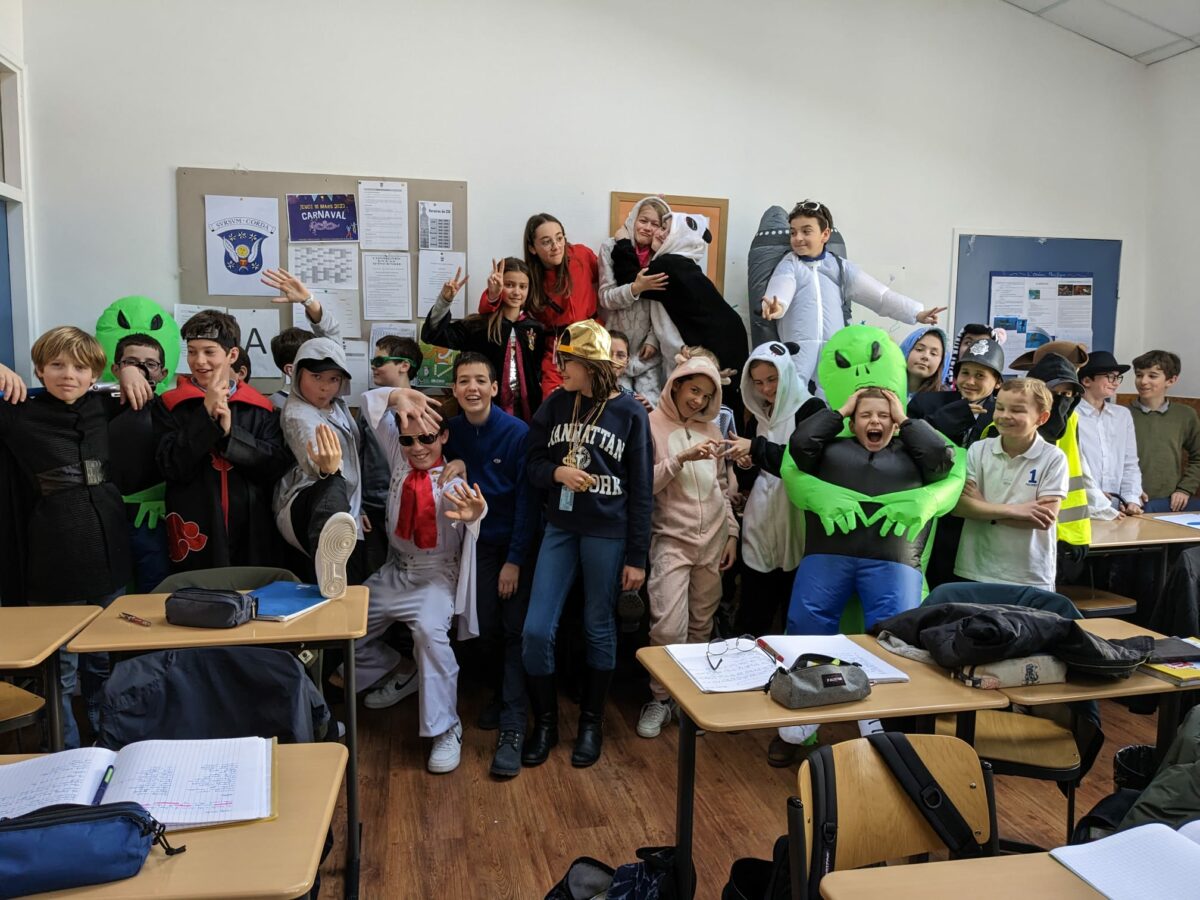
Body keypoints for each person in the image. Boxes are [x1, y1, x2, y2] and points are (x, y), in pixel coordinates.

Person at [0, 327, 152, 747]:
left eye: (80, 367)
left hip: (108, 550)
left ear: (94, 374)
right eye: (57, 365)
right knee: (61, 669)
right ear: (39, 370)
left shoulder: (103, 405)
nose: (69, 374)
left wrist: (131, 370)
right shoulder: (17, 412)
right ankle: (64, 750)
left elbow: (146, 390)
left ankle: (107, 742)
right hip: (53, 556)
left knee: (102, 659)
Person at [522, 320, 652, 768]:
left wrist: (637, 556)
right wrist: (557, 473)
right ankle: (545, 724)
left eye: (568, 362)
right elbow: (532, 463)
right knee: (536, 629)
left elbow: (642, 490)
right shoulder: (557, 403)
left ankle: (591, 724)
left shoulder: (631, 413)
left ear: (592, 364)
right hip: (560, 527)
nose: (560, 370)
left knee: (599, 625)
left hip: (608, 531)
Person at [355, 384, 487, 774]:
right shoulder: (399, 459)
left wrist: (475, 515)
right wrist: (398, 396)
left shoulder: (451, 478)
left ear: (443, 436)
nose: (417, 448)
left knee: (430, 635)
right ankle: (404, 669)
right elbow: (368, 404)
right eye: (408, 439)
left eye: (427, 438)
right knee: (344, 625)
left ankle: (446, 727)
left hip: (435, 577)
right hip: (396, 571)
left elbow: (472, 508)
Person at [441, 352, 538, 777]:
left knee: (516, 629)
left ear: (495, 388)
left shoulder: (517, 433)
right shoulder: (451, 431)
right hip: (475, 545)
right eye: (464, 381)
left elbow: (527, 504)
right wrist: (459, 463)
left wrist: (514, 561)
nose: (472, 388)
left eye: (481, 380)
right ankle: (501, 694)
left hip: (514, 544)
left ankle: (513, 727)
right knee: (483, 625)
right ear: (455, 388)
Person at [638, 353, 739, 739]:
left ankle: (688, 699)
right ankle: (660, 697)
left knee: (701, 624)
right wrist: (680, 459)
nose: (698, 400)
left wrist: (731, 534)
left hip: (714, 540)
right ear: (676, 384)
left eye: (707, 395)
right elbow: (644, 485)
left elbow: (721, 488)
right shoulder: (649, 425)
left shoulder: (712, 430)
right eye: (694, 390)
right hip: (670, 539)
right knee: (667, 625)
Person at [154, 309, 292, 571]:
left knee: (254, 588)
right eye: (192, 352)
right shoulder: (171, 405)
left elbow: (275, 466)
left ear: (232, 355)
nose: (199, 361)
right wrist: (205, 415)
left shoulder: (261, 408)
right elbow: (171, 466)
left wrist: (230, 436)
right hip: (195, 522)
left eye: (209, 351)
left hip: (253, 526)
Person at [760, 200, 944, 395]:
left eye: (806, 231)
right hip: (799, 347)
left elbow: (880, 296)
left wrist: (916, 313)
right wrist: (777, 306)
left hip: (833, 348)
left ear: (825, 234)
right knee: (791, 395)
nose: (798, 238)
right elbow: (782, 287)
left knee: (832, 395)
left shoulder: (840, 267)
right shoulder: (790, 265)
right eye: (793, 232)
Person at [611, 211, 749, 421]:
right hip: (730, 337)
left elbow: (629, 279)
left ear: (680, 238)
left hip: (721, 344)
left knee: (715, 408)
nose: (658, 232)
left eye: (668, 231)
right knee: (720, 406)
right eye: (662, 227)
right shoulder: (684, 265)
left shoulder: (669, 265)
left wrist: (622, 242)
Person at [952, 378, 1069, 591]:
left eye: (1017, 410)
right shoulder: (978, 450)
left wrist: (982, 507)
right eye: (999, 407)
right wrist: (1016, 511)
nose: (1005, 415)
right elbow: (960, 508)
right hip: (975, 567)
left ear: (1042, 418)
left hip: (1029, 574)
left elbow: (1042, 520)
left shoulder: (1053, 458)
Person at [908, 336, 1005, 587]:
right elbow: (906, 445)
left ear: (997, 383)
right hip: (931, 512)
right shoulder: (926, 403)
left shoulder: (1004, 416)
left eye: (980, 375)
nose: (970, 381)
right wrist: (946, 419)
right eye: (965, 373)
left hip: (978, 514)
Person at [728, 342, 810, 637]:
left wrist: (756, 449)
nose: (765, 389)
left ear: (786, 373)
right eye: (758, 382)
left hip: (797, 523)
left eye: (772, 379)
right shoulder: (758, 416)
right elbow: (753, 469)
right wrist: (746, 463)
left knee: (794, 617)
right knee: (753, 613)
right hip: (760, 524)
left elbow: (804, 460)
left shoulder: (811, 409)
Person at [274, 336, 362, 597]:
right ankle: (325, 559)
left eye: (333, 379)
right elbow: (310, 448)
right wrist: (324, 467)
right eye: (316, 377)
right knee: (332, 480)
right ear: (297, 373)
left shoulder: (337, 406)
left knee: (351, 589)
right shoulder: (297, 412)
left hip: (344, 508)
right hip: (305, 505)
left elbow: (332, 336)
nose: (324, 387)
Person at [479, 213, 599, 391]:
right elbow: (486, 309)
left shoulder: (582, 255)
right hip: (557, 347)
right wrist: (493, 294)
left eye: (559, 238)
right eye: (546, 242)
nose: (556, 246)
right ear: (532, 248)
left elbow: (608, 282)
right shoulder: (530, 278)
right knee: (552, 396)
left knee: (595, 393)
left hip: (593, 338)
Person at [422, 258, 545, 421]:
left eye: (523, 286)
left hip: (527, 414)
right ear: (498, 284)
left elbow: (540, 370)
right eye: (509, 285)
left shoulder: (535, 328)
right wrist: (444, 301)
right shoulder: (478, 326)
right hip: (483, 413)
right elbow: (434, 334)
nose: (517, 292)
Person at [107, 333, 172, 593]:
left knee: (154, 590)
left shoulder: (168, 409)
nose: (141, 370)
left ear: (163, 373)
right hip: (107, 519)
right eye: (131, 362)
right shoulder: (97, 405)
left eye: (150, 364)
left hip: (154, 522)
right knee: (111, 591)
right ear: (116, 368)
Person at [598, 196, 670, 399]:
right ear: (633, 219)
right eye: (643, 220)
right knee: (616, 401)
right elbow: (605, 297)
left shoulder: (664, 256)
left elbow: (664, 306)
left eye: (655, 224)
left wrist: (653, 340)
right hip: (615, 350)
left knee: (649, 404)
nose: (647, 228)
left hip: (648, 352)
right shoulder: (610, 247)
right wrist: (636, 288)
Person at [262, 267, 343, 410]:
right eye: (316, 373)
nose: (325, 367)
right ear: (291, 370)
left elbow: (331, 333)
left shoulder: (328, 391)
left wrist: (309, 301)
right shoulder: (277, 406)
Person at [1130, 350, 1200, 513]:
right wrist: (1128, 494)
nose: (1143, 381)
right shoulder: (1122, 414)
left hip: (1169, 503)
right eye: (1139, 375)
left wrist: (1185, 489)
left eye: (1152, 376)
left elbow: (1198, 456)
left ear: (1171, 380)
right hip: (1130, 502)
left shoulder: (1185, 415)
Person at [1076, 350, 1143, 515]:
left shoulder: (1122, 415)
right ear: (1086, 380)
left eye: (1118, 377)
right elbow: (1069, 465)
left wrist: (1131, 498)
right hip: (1082, 505)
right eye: (1110, 377)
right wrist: (1093, 494)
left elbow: (1130, 462)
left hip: (1116, 507)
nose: (1116, 383)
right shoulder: (1071, 415)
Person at [899, 326, 946, 398]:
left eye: (933, 353)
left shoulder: (943, 400)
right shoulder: (884, 387)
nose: (925, 356)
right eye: (919, 349)